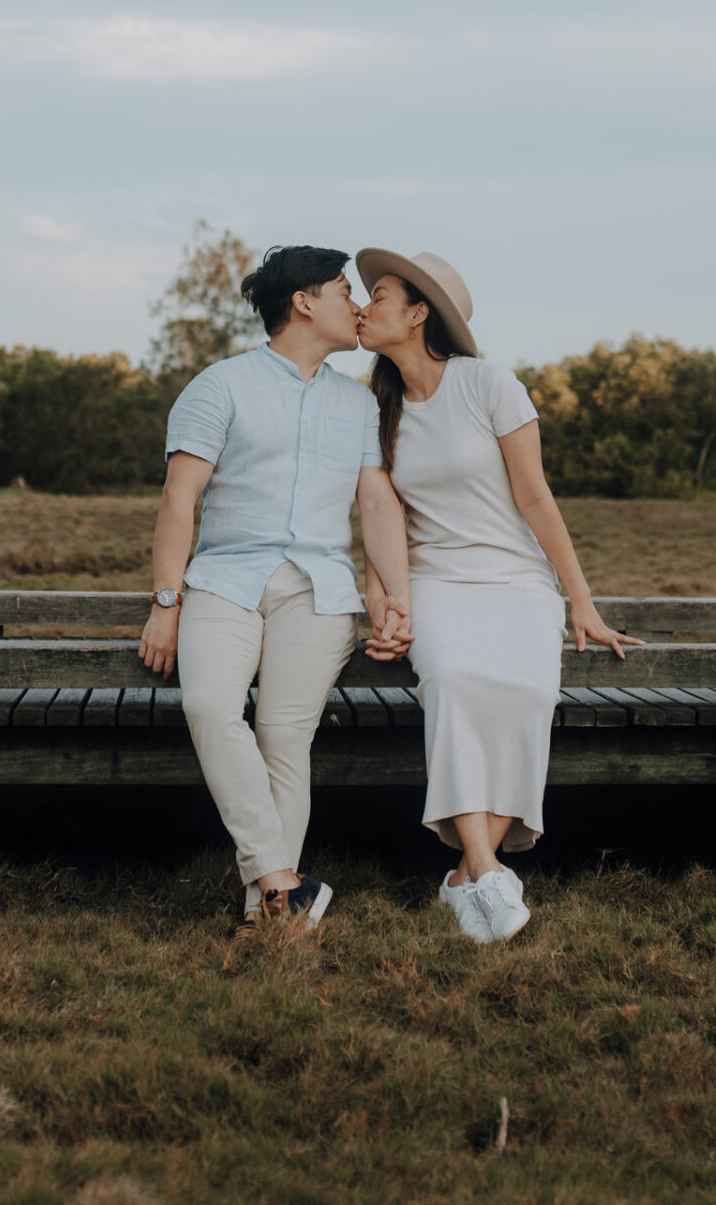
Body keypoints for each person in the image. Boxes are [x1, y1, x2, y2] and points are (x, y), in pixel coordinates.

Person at [354, 248, 640, 944]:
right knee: (451, 679)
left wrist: (580, 601)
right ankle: (484, 870)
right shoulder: (370, 411)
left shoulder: (489, 384)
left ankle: (461, 878)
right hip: (436, 585)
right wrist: (386, 612)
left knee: (530, 690)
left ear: (419, 314)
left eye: (381, 296)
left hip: (516, 580)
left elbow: (535, 497)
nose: (364, 306)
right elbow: (374, 530)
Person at [139, 245, 412, 934]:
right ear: (303, 302)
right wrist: (166, 606)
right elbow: (180, 502)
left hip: (318, 594)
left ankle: (267, 909)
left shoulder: (356, 405)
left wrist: (395, 601)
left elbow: (376, 504)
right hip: (224, 582)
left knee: (284, 737)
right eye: (344, 291)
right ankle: (282, 882)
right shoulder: (218, 386)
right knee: (208, 703)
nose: (357, 305)